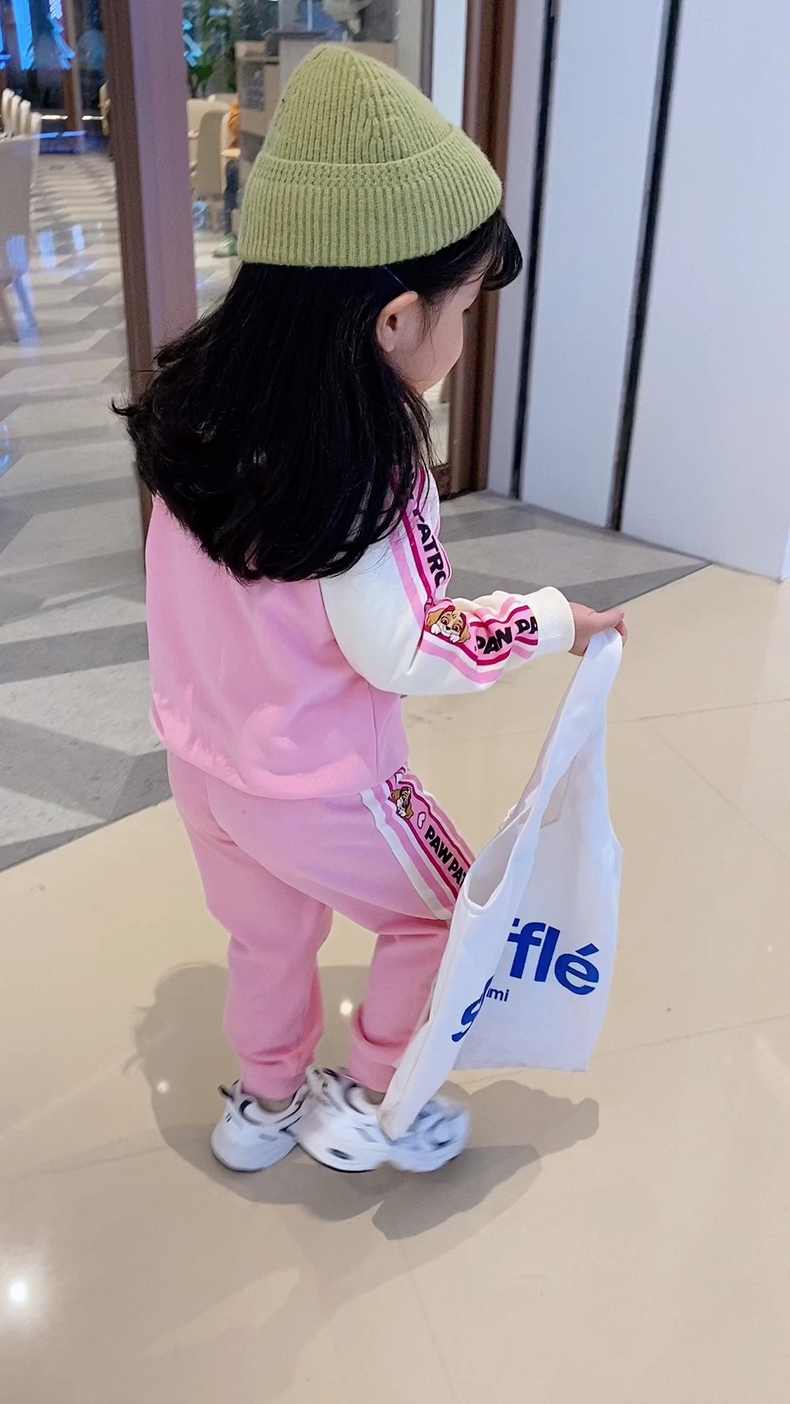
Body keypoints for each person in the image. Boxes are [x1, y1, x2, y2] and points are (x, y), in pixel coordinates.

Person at [117, 47, 626, 1175]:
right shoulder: (366, 463)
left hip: (207, 770)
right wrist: (551, 621)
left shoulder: (196, 412)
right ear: (394, 319)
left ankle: (262, 1105)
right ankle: (372, 1102)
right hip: (326, 781)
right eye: (464, 309)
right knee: (450, 913)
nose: (464, 336)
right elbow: (409, 645)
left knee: (267, 935)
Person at [213, 95, 240, 258]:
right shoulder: (244, 97)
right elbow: (234, 124)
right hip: (245, 152)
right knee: (234, 171)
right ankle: (231, 235)